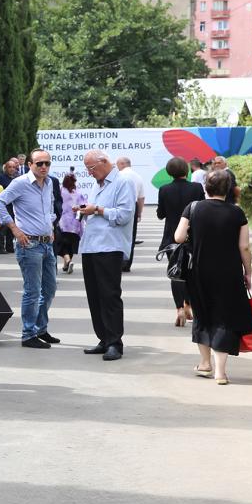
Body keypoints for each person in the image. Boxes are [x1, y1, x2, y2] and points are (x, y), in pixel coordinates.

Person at [174, 169, 252, 385]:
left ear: (205, 188)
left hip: (199, 271)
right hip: (229, 273)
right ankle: (220, 372)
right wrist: (248, 272)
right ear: (228, 189)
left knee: (203, 315)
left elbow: (179, 237)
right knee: (224, 318)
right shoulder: (236, 212)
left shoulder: (193, 208)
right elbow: (244, 247)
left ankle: (204, 363)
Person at [0, 149, 59, 349]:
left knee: (49, 289)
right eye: (39, 163)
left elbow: (50, 208)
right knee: (32, 290)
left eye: (47, 163)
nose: (44, 167)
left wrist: (51, 226)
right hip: (29, 244)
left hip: (47, 242)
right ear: (29, 164)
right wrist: (14, 228)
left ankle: (40, 328)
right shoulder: (20, 183)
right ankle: (28, 334)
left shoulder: (49, 183)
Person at [75, 150, 136, 361]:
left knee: (109, 295)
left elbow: (125, 215)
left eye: (91, 168)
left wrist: (98, 210)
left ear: (103, 162)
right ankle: (103, 337)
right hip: (91, 246)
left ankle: (114, 343)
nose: (89, 173)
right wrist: (85, 210)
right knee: (94, 296)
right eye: (87, 169)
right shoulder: (97, 183)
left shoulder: (122, 182)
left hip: (110, 247)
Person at [156, 157, 204, 327]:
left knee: (176, 273)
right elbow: (202, 208)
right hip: (193, 236)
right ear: (187, 170)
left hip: (171, 238)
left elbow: (161, 214)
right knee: (191, 273)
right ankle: (188, 304)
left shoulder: (164, 190)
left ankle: (179, 309)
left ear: (169, 172)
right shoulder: (197, 188)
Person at [115, 157, 146, 271]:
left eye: (117, 164)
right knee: (131, 236)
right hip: (134, 205)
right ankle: (127, 264)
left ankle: (118, 261)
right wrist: (139, 213)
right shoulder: (138, 176)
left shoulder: (119, 175)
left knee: (118, 234)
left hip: (120, 204)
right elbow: (141, 197)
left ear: (122, 164)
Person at [56, 172, 86, 274]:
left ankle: (67, 260)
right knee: (71, 244)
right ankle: (66, 265)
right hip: (75, 223)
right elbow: (84, 205)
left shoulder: (60, 190)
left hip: (63, 222)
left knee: (60, 244)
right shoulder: (78, 192)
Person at [0, 159, 19, 253]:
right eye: (10, 167)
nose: (12, 169)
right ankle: (0, 247)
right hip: (3, 205)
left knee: (11, 226)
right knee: (3, 227)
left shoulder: (15, 179)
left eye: (13, 167)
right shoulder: (0, 178)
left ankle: (10, 247)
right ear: (6, 168)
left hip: (12, 206)